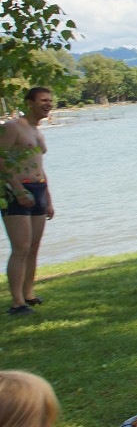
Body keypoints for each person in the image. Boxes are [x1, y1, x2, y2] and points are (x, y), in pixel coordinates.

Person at [0, 88, 56, 315]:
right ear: (29, 102)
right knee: (21, 247)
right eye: (43, 100)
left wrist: (48, 199)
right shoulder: (12, 127)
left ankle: (28, 294)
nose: (48, 104)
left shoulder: (37, 131)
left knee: (33, 247)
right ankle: (16, 303)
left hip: (38, 189)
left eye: (50, 100)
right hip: (15, 191)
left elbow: (39, 167)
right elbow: (2, 161)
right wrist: (18, 189)